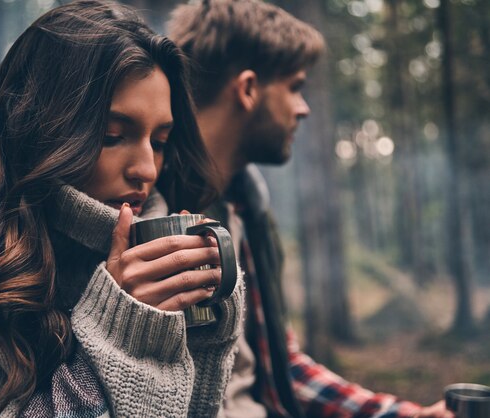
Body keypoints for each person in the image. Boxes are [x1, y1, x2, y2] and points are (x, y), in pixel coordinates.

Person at [0, 1, 245, 416]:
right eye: (112, 136)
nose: (147, 169)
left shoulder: (147, 261)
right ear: (42, 130)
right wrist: (121, 336)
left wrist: (205, 328)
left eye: (159, 142)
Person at [167, 1, 451, 417]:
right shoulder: (150, 212)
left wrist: (403, 414)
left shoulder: (246, 208)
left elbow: (278, 364)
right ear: (247, 89)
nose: (305, 108)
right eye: (295, 86)